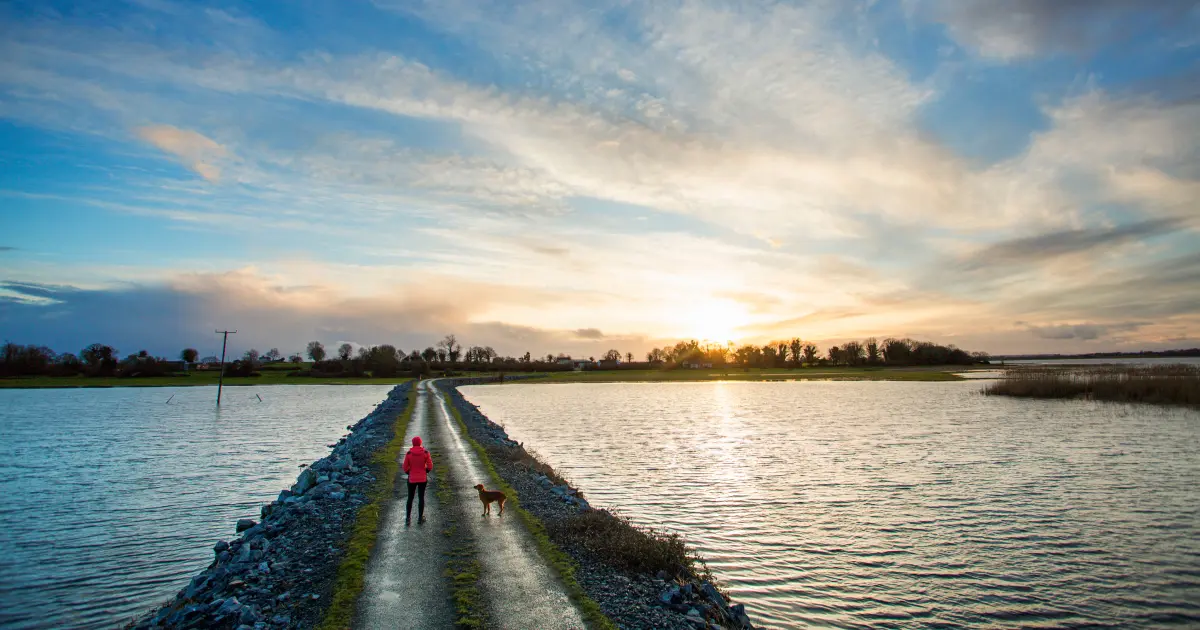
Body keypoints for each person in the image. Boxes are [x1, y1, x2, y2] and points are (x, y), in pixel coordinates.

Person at [402, 436, 433, 525]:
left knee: (410, 498)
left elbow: (405, 467)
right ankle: (420, 518)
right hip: (422, 479)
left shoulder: (409, 454)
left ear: (413, 443)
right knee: (421, 498)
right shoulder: (425, 453)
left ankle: (408, 519)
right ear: (420, 443)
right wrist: (425, 471)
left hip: (412, 479)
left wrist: (409, 473)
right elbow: (430, 465)